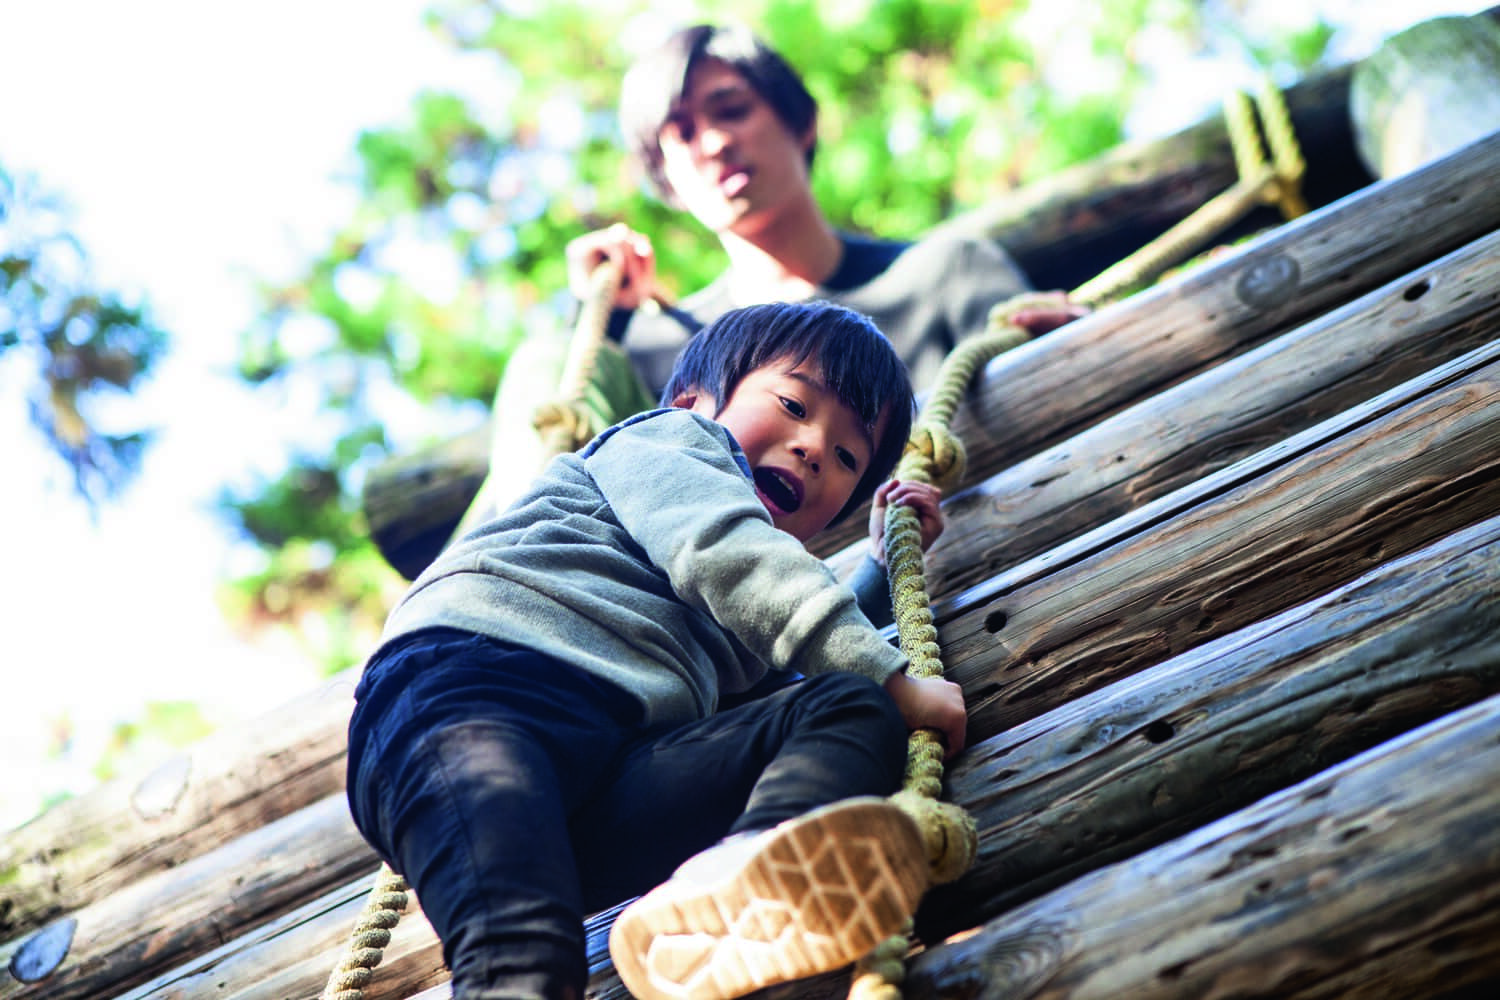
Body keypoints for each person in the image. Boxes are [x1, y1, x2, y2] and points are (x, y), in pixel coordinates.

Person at [345, 300, 968, 1000]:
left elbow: (781, 662)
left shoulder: (740, 617)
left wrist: (879, 573)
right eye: (794, 404)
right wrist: (897, 682)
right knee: (521, 957)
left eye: (848, 456)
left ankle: (739, 878)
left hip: (606, 768)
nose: (815, 446)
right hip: (475, 695)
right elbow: (728, 554)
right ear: (693, 398)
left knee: (844, 707)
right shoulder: (673, 443)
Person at [564, 21, 1086, 401]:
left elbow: (1060, 399)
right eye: (682, 134)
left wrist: (1072, 346)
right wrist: (598, 320)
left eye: (733, 110)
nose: (717, 141)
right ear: (665, 178)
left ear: (802, 122)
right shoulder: (656, 354)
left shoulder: (948, 274)